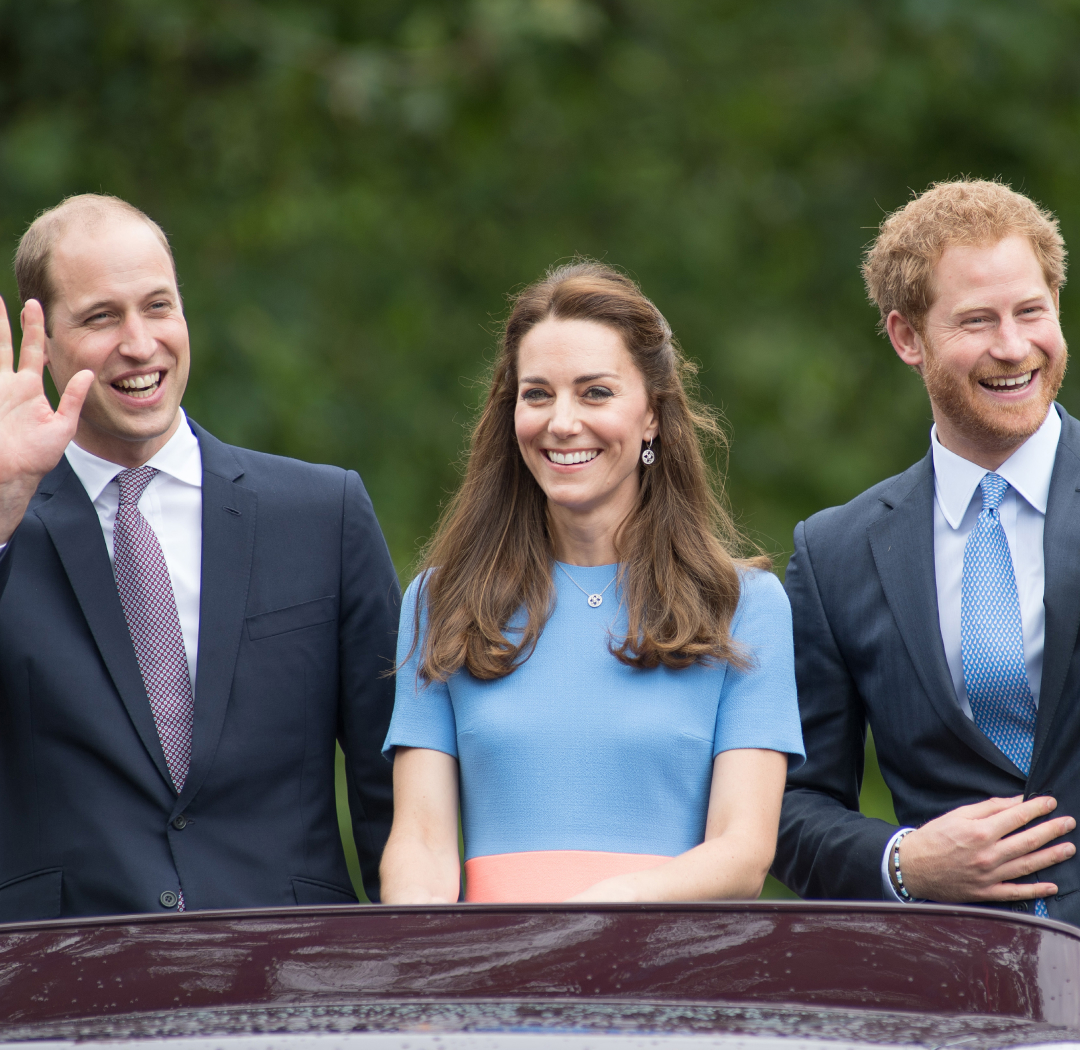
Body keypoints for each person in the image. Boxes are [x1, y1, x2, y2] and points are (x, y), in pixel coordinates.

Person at [0, 194, 399, 920]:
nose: (140, 342)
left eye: (158, 306)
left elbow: (391, 795)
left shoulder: (324, 514)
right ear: (44, 342)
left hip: (293, 980)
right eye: (100, 317)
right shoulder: (6, 527)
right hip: (57, 986)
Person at [379, 261, 804, 904]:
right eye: (538, 393)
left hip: (665, 982)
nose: (562, 422)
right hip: (488, 984)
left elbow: (742, 854)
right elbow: (421, 843)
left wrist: (590, 921)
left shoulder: (744, 607)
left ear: (653, 416)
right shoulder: (442, 601)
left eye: (595, 392)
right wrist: (429, 970)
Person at [772, 179, 1080, 925]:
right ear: (907, 337)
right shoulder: (833, 553)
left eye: (1030, 312)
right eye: (976, 320)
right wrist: (904, 863)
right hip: (948, 987)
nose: (1013, 347)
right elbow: (788, 808)